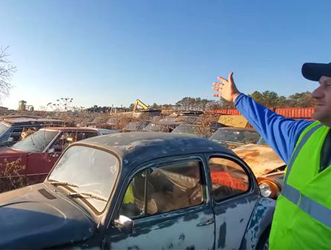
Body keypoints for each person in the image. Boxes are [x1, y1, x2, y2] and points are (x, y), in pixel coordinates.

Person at [213, 62, 331, 249]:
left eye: (329, 85)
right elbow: (269, 121)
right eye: (320, 83)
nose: (315, 93)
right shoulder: (308, 135)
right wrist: (236, 97)